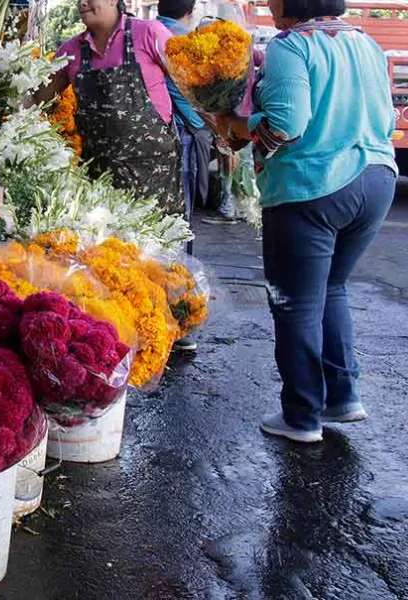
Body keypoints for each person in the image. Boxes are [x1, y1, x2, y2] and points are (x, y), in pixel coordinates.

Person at [206, 0, 398, 443]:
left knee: (296, 304)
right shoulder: (364, 42)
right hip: (376, 181)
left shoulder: (292, 45)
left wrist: (234, 124)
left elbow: (287, 125)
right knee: (332, 288)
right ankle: (343, 397)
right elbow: (387, 119)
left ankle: (301, 416)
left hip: (314, 188)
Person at [35, 0, 184, 219]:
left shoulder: (148, 33)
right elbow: (38, 98)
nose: (82, 3)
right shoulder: (71, 51)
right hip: (101, 186)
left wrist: (223, 132)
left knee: (157, 250)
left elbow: (191, 83)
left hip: (155, 179)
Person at [157, 0, 214, 240]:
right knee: (180, 199)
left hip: (145, 131)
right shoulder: (188, 41)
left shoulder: (141, 34)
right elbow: (186, 92)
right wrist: (205, 125)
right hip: (181, 130)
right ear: (189, 12)